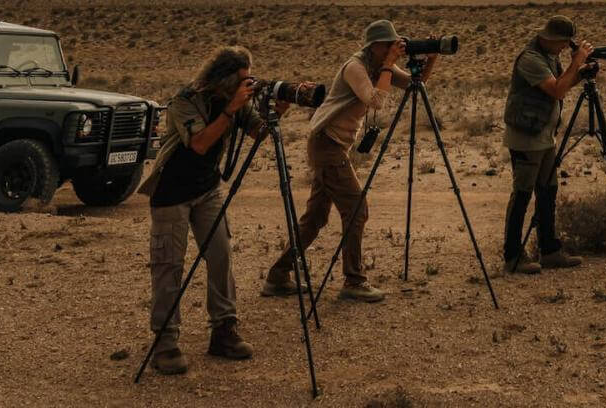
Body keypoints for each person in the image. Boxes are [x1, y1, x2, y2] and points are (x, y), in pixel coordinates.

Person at [137, 46, 290, 376]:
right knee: (169, 266)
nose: (248, 84)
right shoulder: (186, 99)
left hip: (207, 189)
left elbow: (258, 132)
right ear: (225, 77)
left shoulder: (234, 99)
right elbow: (200, 143)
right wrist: (232, 108)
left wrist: (279, 110)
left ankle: (224, 330)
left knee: (220, 254)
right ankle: (165, 343)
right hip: (171, 193)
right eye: (243, 78)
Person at [260, 20, 436, 303]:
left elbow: (416, 84)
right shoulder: (355, 67)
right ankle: (354, 280)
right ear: (376, 46)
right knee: (356, 209)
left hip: (332, 146)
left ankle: (278, 275)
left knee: (315, 218)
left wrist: (431, 59)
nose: (394, 48)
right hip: (326, 143)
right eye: (389, 44)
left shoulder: (380, 65)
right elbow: (376, 100)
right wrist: (390, 64)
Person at [501, 15, 588, 274]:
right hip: (526, 138)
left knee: (548, 192)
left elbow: (562, 84)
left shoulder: (550, 56)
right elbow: (557, 90)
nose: (565, 48)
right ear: (550, 39)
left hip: (544, 136)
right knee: (523, 195)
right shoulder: (531, 59)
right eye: (563, 43)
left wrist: (580, 73)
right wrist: (576, 63)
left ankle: (550, 250)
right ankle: (513, 256)